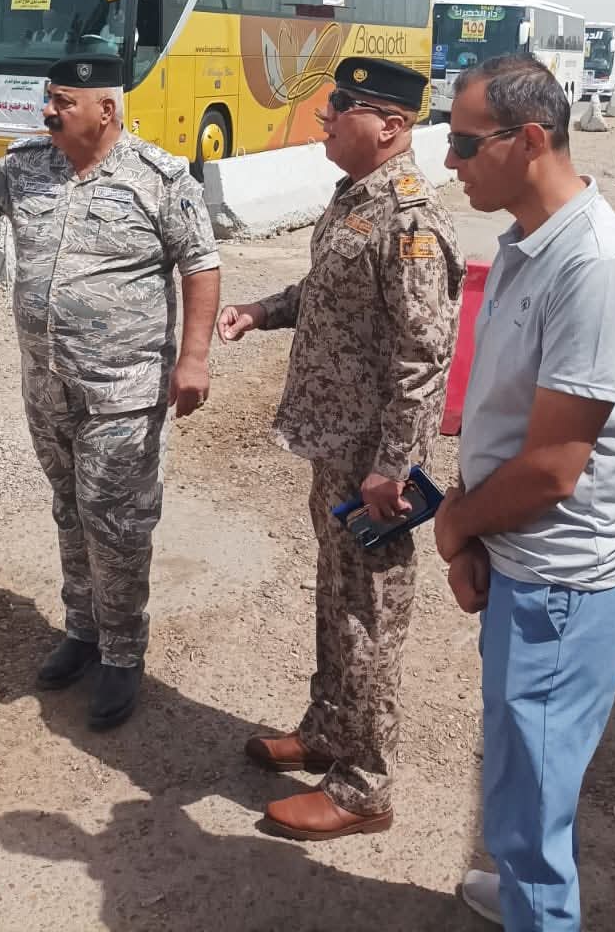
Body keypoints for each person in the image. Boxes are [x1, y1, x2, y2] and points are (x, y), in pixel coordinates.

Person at [0, 54, 221, 730]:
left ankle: (123, 652)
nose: (48, 111)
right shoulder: (29, 167)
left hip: (123, 389)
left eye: (63, 102)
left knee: (117, 522)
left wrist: (194, 359)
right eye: (49, 99)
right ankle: (82, 630)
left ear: (105, 111)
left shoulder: (159, 178)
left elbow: (201, 265)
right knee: (70, 508)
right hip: (48, 384)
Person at [434, 55, 615, 931]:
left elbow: (556, 466)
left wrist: (457, 524)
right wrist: (475, 531)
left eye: (465, 143)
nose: (450, 160)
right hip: (525, 556)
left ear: (529, 139)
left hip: (561, 581)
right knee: (520, 769)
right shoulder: (527, 243)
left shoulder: (594, 266)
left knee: (531, 800)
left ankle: (539, 910)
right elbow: (505, 418)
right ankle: (527, 894)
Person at [218, 57, 464, 840]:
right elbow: (328, 295)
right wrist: (262, 311)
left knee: (370, 614)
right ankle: (328, 730)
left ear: (389, 126)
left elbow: (424, 357)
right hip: (337, 444)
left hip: (373, 462)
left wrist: (395, 466)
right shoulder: (357, 199)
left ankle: (365, 785)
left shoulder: (410, 220)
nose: (324, 120)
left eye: (341, 108)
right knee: (337, 594)